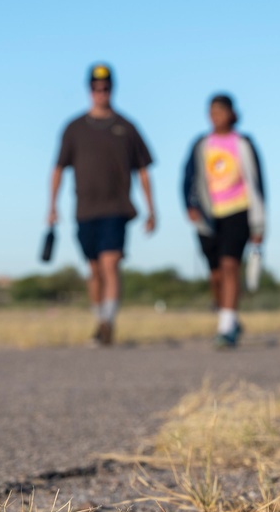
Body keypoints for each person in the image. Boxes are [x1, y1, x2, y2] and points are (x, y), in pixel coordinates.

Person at [48, 63, 156, 345]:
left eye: (105, 88)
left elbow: (143, 170)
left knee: (110, 263)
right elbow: (58, 169)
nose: (101, 93)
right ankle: (99, 319)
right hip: (85, 209)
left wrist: (152, 209)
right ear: (89, 90)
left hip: (117, 208)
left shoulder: (127, 127)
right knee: (94, 269)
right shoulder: (74, 128)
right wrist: (52, 206)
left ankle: (108, 321)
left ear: (112, 89)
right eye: (96, 88)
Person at [182, 94, 265, 348]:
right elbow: (188, 178)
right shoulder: (201, 144)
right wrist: (190, 206)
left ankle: (226, 327)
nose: (215, 116)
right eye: (212, 112)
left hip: (238, 211)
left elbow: (258, 183)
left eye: (220, 111)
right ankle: (228, 317)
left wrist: (259, 223)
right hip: (209, 216)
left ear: (231, 113)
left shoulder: (243, 143)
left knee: (230, 266)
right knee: (216, 274)